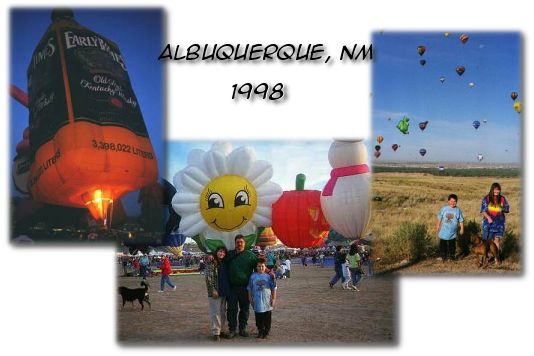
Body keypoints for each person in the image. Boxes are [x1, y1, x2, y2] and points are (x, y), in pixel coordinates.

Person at [226, 235, 258, 338]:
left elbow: (259, 267)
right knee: (231, 309)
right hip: (232, 288)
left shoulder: (250, 255)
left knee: (245, 309)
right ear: (235, 243)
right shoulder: (229, 254)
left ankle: (242, 329)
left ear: (244, 243)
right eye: (237, 242)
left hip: (246, 288)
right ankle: (232, 330)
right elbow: (220, 260)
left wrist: (269, 272)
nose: (239, 244)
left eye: (241, 242)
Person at [205, 246, 230, 341]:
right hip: (215, 292)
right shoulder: (212, 262)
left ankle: (222, 331)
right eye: (220, 251)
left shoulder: (224, 262)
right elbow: (208, 277)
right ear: (216, 252)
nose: (222, 253)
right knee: (215, 312)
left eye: (223, 252)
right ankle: (216, 332)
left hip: (224, 291)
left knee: (222, 312)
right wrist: (212, 290)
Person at [248, 258, 277, 339]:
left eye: (262, 266)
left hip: (267, 301)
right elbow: (249, 288)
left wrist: (273, 299)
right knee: (258, 317)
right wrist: (250, 298)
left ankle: (266, 331)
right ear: (256, 267)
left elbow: (273, 288)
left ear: (265, 267)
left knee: (267, 317)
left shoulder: (269, 276)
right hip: (257, 301)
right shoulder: (253, 276)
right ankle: (260, 330)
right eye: (259, 266)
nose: (260, 268)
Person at [481, 182, 510, 259]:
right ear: (492, 189)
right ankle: (485, 258)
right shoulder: (486, 198)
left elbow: (507, 209)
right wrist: (488, 218)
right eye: (495, 190)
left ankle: (496, 258)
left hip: (499, 223)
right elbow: (483, 211)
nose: (497, 191)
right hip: (488, 223)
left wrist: (502, 208)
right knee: (487, 241)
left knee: (497, 241)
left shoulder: (503, 199)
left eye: (498, 190)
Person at [436, 194, 465, 261]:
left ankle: (451, 257)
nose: (453, 203)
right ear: (448, 201)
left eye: (454, 201)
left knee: (452, 245)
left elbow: (461, 220)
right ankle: (443, 256)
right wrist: (437, 226)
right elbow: (439, 218)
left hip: (453, 233)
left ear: (456, 202)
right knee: (443, 245)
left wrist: (462, 229)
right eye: (451, 201)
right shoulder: (444, 209)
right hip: (443, 231)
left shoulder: (458, 210)